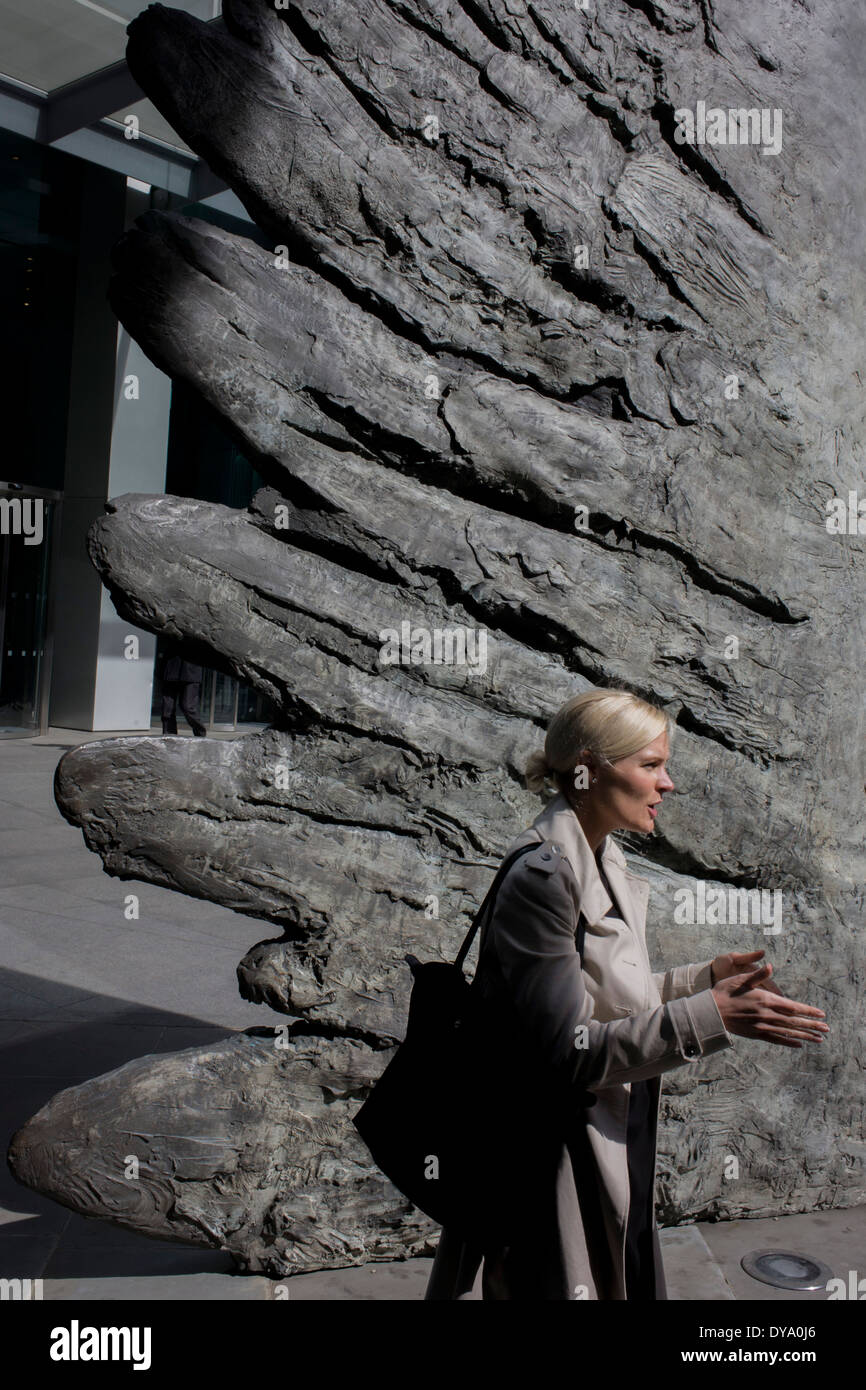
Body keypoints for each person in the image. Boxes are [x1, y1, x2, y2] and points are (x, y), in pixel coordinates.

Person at [424, 688, 828, 1300]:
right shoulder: (545, 876)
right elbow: (570, 1050)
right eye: (650, 765)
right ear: (590, 768)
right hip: (555, 1156)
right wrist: (712, 1017)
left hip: (614, 1131)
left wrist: (702, 982)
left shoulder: (600, 857)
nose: (667, 784)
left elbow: (608, 1003)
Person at [160, 640, 207, 737]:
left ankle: (201, 735)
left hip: (191, 669)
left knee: (188, 707)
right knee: (167, 708)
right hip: (171, 666)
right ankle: (169, 738)